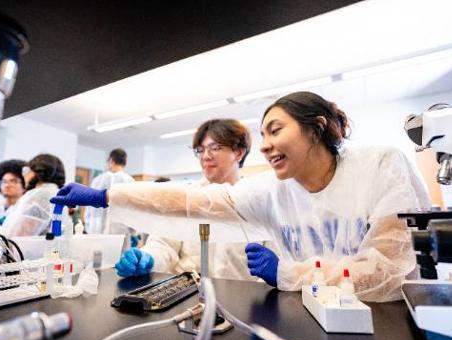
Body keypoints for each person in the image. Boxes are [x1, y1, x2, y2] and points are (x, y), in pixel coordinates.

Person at [51, 91, 430, 302]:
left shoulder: (379, 165)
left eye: (275, 130)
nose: (266, 146)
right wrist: (107, 196)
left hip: (381, 323)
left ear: (317, 127)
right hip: (306, 314)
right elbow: (191, 203)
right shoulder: (271, 191)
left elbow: (389, 273)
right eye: (262, 135)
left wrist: (288, 272)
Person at [115, 118, 274, 280]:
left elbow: (273, 263)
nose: (205, 156)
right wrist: (148, 258)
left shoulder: (257, 201)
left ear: (239, 152)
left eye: (214, 148)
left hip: (242, 300)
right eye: (200, 149)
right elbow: (164, 246)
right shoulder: (185, 198)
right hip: (187, 297)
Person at [3, 153, 66, 237]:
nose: (24, 175)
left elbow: (18, 235)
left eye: (26, 170)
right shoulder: (55, 193)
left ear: (37, 171)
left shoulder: (41, 195)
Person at [85, 148, 134, 234]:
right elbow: (133, 210)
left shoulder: (97, 181)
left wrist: (88, 226)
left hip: (96, 230)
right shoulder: (130, 182)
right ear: (125, 163)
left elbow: (89, 207)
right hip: (121, 232)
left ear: (111, 161)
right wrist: (133, 231)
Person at [0, 159, 27, 226]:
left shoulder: (25, 210)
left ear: (25, 185)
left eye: (13, 181)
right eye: (4, 181)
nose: (7, 185)